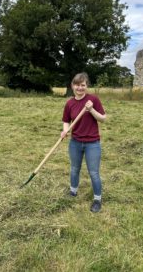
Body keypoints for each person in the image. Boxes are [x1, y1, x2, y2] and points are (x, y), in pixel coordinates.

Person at [61, 72, 106, 212]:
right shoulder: (69, 103)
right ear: (72, 86)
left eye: (82, 85)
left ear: (86, 86)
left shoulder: (93, 100)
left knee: (93, 173)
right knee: (74, 169)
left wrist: (91, 109)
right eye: (77, 85)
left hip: (92, 143)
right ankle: (73, 192)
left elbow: (103, 118)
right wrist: (65, 130)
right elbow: (66, 120)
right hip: (75, 142)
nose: (79, 88)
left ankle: (97, 200)